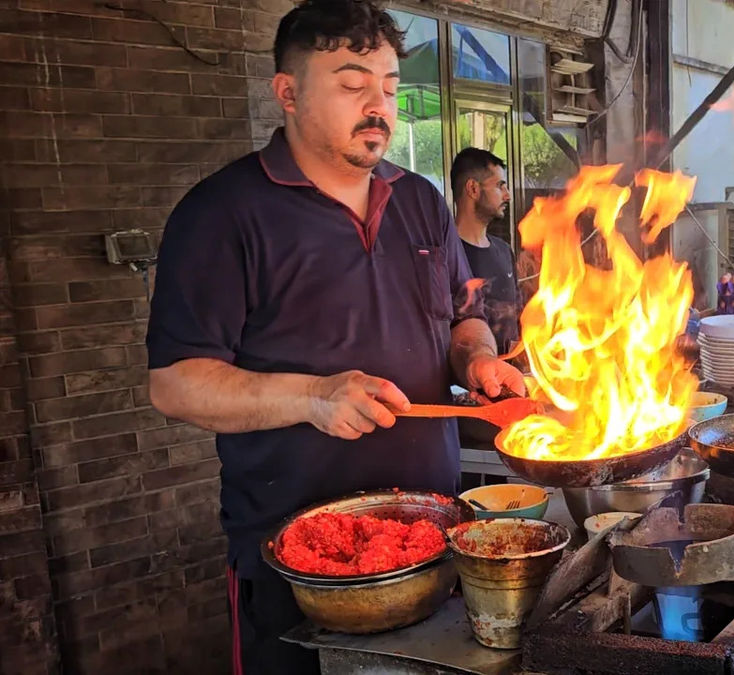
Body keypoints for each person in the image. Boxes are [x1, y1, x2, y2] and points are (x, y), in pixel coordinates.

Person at [144, 2, 524, 673]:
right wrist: (314, 396)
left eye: (389, 87)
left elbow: (460, 317)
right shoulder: (222, 213)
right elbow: (176, 382)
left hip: (436, 536)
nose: (378, 105)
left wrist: (480, 358)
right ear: (287, 93)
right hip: (301, 561)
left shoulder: (421, 200)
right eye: (352, 84)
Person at [449, 148, 521, 358]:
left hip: (509, 378)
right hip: (466, 382)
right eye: (500, 186)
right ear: (472, 188)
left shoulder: (504, 251)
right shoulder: (445, 254)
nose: (507, 195)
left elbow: (517, 315)